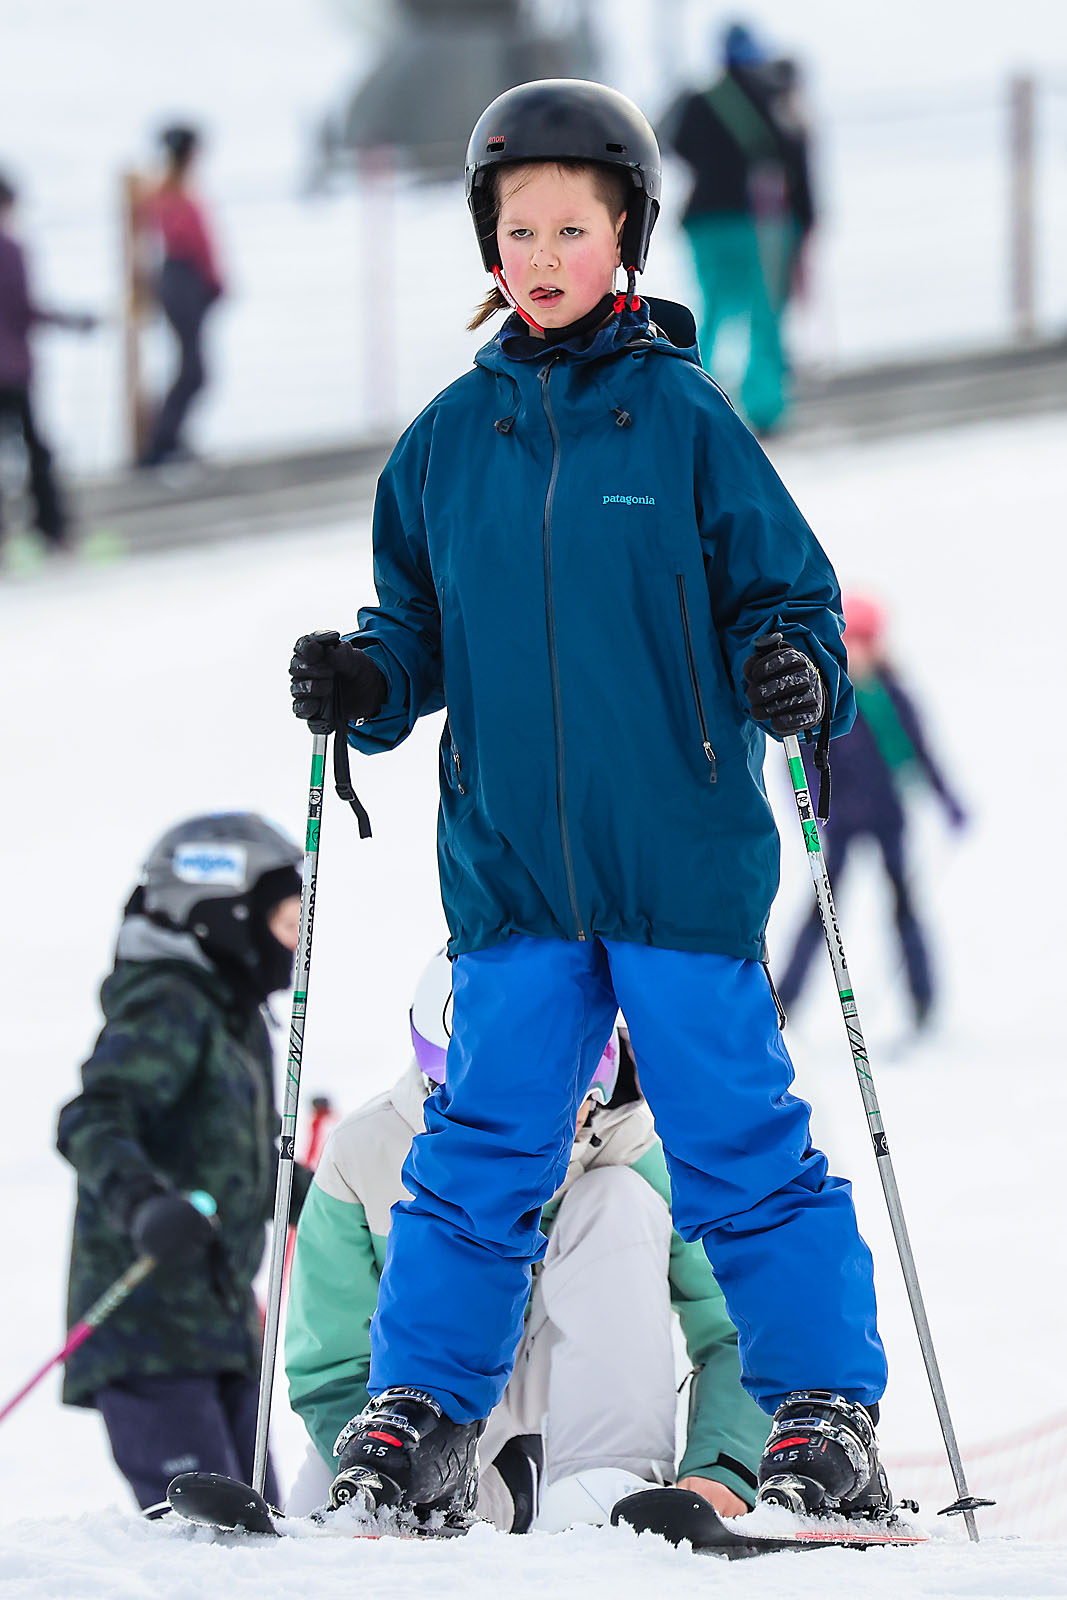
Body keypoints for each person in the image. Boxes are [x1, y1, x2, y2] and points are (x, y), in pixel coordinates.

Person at [288, 78, 890, 1533]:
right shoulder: (441, 446)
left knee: (731, 1134)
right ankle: (423, 1406)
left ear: (625, 234)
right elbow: (414, 632)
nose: (543, 253)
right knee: (479, 1146)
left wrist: (791, 669)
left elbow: (789, 601)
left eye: (572, 225)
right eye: (517, 229)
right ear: (487, 249)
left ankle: (820, 1407)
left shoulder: (681, 420)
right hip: (510, 876)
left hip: (676, 860)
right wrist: (365, 681)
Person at [284, 951, 770, 1530]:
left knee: (615, 1200)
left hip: (565, 1403)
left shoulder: (643, 1153)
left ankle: (606, 1485)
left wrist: (721, 1463)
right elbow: (331, 1362)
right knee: (330, 1517)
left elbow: (732, 1324)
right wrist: (373, 1465)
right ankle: (450, 1493)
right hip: (416, 1414)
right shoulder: (367, 1153)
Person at [56, 813, 312, 1511]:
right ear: (225, 916)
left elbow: (225, 1157)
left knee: (258, 1533)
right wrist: (144, 1203)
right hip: (151, 1324)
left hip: (223, 1323)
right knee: (208, 1541)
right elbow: (93, 1117)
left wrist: (302, 1193)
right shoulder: (169, 1001)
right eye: (287, 925)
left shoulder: (234, 1016)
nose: (295, 948)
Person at [776, 594, 968, 1029]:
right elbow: (803, 761)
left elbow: (919, 753)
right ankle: (784, 1000)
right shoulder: (826, 696)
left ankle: (923, 1002)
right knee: (822, 911)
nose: (860, 651)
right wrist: (810, 812)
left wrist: (948, 801)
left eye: (867, 640)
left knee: (904, 907)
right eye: (852, 641)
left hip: (887, 818)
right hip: (841, 822)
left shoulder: (892, 696)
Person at [664, 24, 815, 435]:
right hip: (758, 224)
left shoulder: (699, 100)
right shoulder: (772, 98)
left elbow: (675, 144)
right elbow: (793, 157)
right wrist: (808, 221)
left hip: (703, 222)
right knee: (764, 313)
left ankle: (697, 400)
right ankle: (765, 407)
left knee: (713, 311)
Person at [0, 169, 95, 558]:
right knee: (36, 451)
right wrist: (73, 321)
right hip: (11, 370)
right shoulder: (11, 250)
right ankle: (52, 532)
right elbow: (26, 309)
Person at [134, 125, 224, 469]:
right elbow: (190, 243)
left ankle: (169, 439)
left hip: (187, 281)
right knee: (193, 368)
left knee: (192, 367)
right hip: (182, 279)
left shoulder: (174, 192)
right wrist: (212, 279)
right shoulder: (170, 194)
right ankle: (161, 442)